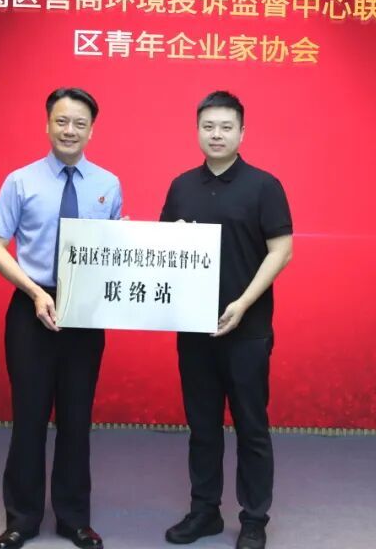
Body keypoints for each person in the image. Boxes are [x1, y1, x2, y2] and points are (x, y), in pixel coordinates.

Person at [0, 87, 122, 549]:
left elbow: (113, 251)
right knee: (29, 416)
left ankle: (73, 519)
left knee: (77, 418)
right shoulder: (20, 181)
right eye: (62, 121)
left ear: (91, 130)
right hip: (31, 307)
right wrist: (35, 292)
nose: (69, 130)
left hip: (85, 311)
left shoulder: (108, 184)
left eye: (79, 123)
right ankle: (22, 519)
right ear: (47, 125)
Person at [159, 91, 293, 549]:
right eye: (208, 126)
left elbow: (282, 251)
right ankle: (205, 511)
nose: (216, 135)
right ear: (197, 130)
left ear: (242, 132)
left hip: (247, 329)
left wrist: (243, 303)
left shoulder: (264, 186)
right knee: (201, 426)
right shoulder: (181, 186)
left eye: (226, 127)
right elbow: (162, 250)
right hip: (194, 329)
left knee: (251, 426)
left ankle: (254, 519)